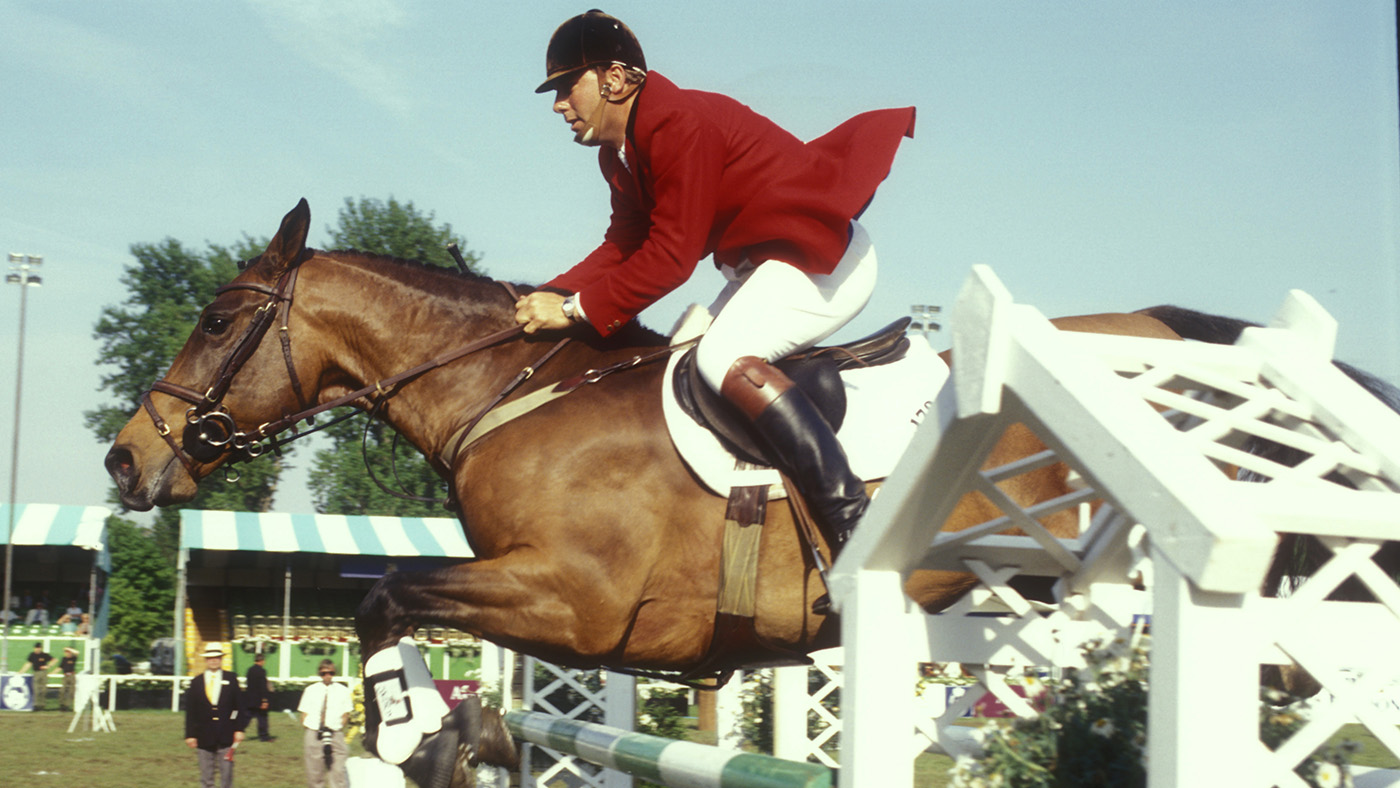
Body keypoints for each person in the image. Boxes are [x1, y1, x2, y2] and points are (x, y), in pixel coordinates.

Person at [517, 10, 915, 555]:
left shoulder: (678, 123)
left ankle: (854, 524)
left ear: (613, 79)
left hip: (822, 259)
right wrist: (542, 294)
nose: (559, 104)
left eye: (566, 87)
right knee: (677, 359)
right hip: (768, 267)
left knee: (718, 356)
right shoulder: (620, 155)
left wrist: (572, 311)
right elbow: (623, 246)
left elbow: (671, 259)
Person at [184, 645, 246, 788]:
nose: (213, 661)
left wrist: (239, 729)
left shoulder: (231, 679)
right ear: (206, 660)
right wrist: (190, 735)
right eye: (210, 658)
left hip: (226, 735)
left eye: (216, 657)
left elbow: (239, 707)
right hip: (203, 735)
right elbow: (191, 711)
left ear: (221, 659)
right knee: (206, 775)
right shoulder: (196, 682)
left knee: (226, 774)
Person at [296, 659, 352, 788]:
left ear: (334, 673)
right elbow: (303, 714)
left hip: (335, 733)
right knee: (314, 771)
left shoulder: (342, 690)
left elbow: (346, 714)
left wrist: (337, 727)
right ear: (319, 674)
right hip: (314, 733)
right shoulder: (310, 690)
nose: (327, 676)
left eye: (331, 673)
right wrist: (311, 727)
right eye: (324, 673)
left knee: (338, 771)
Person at [244, 652, 274, 742]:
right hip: (259, 699)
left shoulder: (249, 670)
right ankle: (264, 736)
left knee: (247, 718)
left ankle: (236, 730)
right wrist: (264, 700)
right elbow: (262, 687)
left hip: (250, 699)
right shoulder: (261, 671)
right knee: (262, 719)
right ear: (262, 661)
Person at [18, 642, 52, 710]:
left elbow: (54, 660)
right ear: (34, 648)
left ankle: (42, 705)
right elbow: (28, 664)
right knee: (36, 689)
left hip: (43, 673)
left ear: (41, 648)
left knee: (43, 689)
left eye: (39, 648)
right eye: (36, 648)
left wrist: (48, 666)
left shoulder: (44, 655)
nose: (37, 649)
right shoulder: (32, 655)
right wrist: (21, 671)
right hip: (36, 672)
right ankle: (36, 705)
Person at [58, 646, 78, 712]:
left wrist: (69, 648)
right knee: (62, 691)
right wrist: (53, 672)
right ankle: (62, 705)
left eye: (69, 652)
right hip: (65, 676)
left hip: (72, 676)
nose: (67, 653)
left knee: (71, 691)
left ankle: (68, 705)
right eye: (66, 652)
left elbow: (77, 653)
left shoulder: (73, 658)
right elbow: (60, 667)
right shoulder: (64, 659)